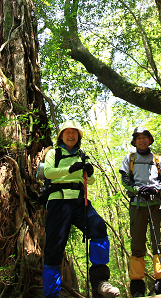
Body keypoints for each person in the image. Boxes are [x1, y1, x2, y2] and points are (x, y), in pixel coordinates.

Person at [43, 120, 121, 298]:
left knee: (99, 227)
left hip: (80, 202)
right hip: (58, 202)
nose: (71, 135)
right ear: (61, 136)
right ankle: (52, 293)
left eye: (74, 132)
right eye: (67, 132)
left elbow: (90, 181)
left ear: (78, 136)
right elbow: (48, 173)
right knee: (54, 247)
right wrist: (70, 169)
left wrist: (90, 172)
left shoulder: (83, 155)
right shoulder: (53, 153)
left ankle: (100, 282)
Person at [119, 126, 161, 296]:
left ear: (150, 140)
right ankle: (136, 284)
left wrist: (156, 191)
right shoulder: (130, 158)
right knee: (137, 243)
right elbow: (125, 179)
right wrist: (138, 190)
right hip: (137, 205)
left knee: (160, 241)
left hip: (156, 204)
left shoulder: (157, 159)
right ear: (134, 141)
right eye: (138, 138)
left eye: (145, 137)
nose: (142, 140)